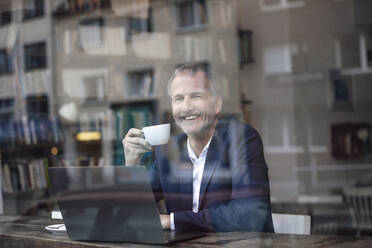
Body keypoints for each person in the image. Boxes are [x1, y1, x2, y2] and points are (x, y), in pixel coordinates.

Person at [122, 63, 274, 232]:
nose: (186, 107)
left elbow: (249, 215)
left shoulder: (242, 139)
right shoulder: (169, 150)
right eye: (178, 99)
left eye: (196, 96)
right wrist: (132, 162)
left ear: (217, 105)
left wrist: (172, 221)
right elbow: (132, 208)